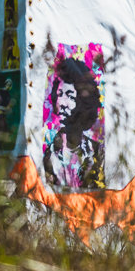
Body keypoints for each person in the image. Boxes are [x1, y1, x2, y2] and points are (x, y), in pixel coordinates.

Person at [42, 57, 105, 191]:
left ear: (83, 101)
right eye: (59, 94)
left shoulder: (96, 153)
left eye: (70, 96)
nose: (62, 103)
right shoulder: (49, 153)